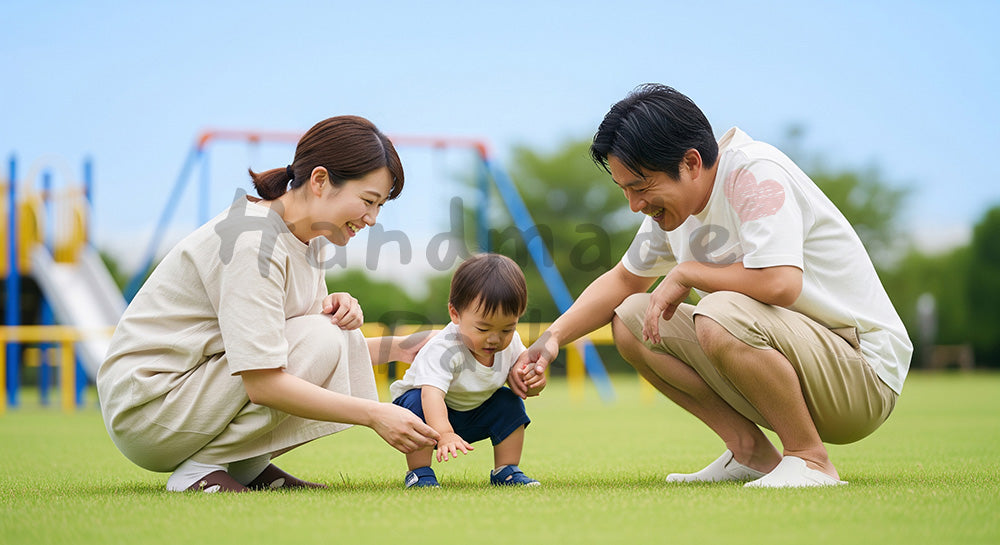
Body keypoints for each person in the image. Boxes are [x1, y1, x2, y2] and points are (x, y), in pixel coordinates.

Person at [510, 84, 911, 488]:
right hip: (804, 367)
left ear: (691, 162)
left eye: (641, 186)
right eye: (625, 190)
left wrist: (687, 273)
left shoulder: (754, 173)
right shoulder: (675, 212)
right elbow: (624, 280)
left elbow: (780, 282)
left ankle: (809, 459)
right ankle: (750, 453)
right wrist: (552, 339)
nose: (634, 205)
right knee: (630, 317)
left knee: (718, 312)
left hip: (861, 373)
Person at [97, 115, 440, 493]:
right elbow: (264, 381)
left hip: (190, 397)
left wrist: (402, 348)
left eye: (380, 206)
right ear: (321, 181)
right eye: (368, 201)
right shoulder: (253, 239)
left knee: (331, 332)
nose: (373, 219)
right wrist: (375, 414)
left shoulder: (309, 239)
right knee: (325, 333)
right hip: (151, 410)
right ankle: (201, 470)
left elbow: (302, 346)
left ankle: (242, 465)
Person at [389, 253, 545, 488]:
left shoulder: (511, 345)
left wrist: (533, 383)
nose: (495, 339)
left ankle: (507, 470)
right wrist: (444, 433)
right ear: (455, 314)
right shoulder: (444, 348)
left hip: (472, 412)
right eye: (483, 328)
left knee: (508, 401)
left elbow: (524, 382)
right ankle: (419, 472)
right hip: (427, 410)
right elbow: (431, 395)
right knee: (417, 403)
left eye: (507, 329)